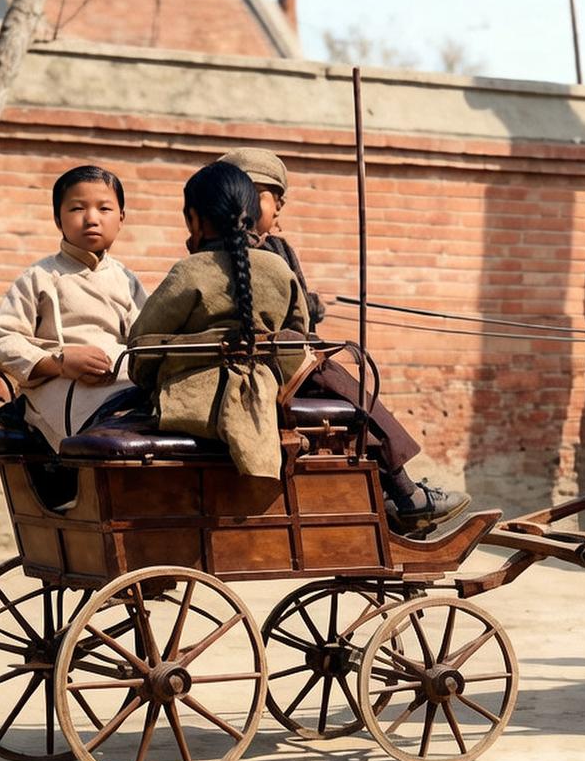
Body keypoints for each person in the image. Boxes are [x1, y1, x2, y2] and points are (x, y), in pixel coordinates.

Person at [217, 146, 470, 534]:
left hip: (291, 358)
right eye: (269, 198)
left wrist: (313, 306)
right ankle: (404, 492)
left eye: (280, 203)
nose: (277, 211)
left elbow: (299, 308)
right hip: (262, 368)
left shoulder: (278, 248)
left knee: (341, 385)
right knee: (336, 380)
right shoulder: (223, 254)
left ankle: (388, 495)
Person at [128, 161, 307, 479]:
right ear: (253, 214)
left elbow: (141, 347)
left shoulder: (189, 272)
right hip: (268, 400)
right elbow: (298, 338)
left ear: (194, 219)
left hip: (184, 406)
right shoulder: (280, 269)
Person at [0, 164, 145, 450]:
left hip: (121, 383)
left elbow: (146, 339)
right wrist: (58, 363)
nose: (91, 219)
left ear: (121, 218)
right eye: (77, 208)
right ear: (58, 219)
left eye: (104, 209)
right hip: (59, 387)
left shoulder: (127, 280)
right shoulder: (39, 277)